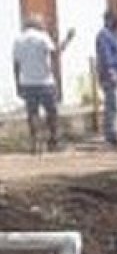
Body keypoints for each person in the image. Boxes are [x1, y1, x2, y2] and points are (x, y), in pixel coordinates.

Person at [11, 16, 74, 153]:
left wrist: (17, 84)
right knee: (52, 112)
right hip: (44, 81)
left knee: (32, 113)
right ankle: (54, 141)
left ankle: (35, 142)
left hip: (27, 82)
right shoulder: (42, 37)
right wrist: (67, 40)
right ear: (38, 24)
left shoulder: (18, 40)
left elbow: (16, 65)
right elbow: (55, 53)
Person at [95, 11, 117, 149]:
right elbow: (105, 56)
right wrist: (111, 71)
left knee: (115, 104)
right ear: (107, 20)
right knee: (112, 105)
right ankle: (111, 135)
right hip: (110, 74)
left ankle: (113, 132)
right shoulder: (104, 35)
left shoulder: (114, 35)